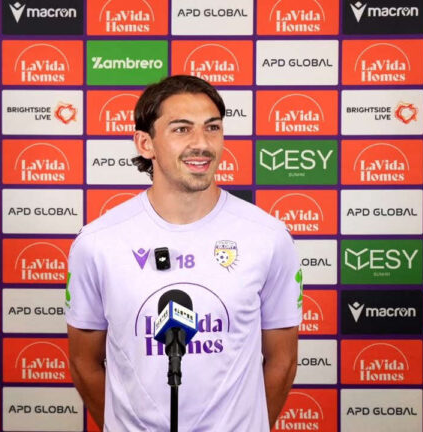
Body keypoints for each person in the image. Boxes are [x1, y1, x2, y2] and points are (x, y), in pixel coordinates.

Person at [66, 75, 301, 431]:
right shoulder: (97, 243)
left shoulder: (269, 237)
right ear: (145, 143)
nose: (201, 144)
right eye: (181, 129)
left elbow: (282, 361)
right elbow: (84, 363)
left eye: (212, 128)